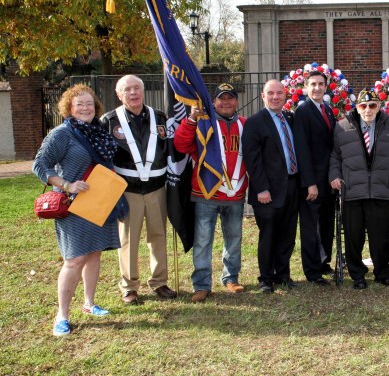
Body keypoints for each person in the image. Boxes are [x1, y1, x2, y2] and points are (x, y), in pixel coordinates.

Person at [33, 84, 121, 336]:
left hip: (99, 203)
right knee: (74, 260)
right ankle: (62, 315)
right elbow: (40, 165)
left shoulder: (98, 132)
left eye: (89, 104)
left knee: (94, 254)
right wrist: (67, 184)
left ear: (96, 108)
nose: (85, 108)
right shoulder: (63, 134)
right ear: (69, 108)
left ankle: (89, 304)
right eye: (79, 104)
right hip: (73, 206)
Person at [102, 75, 177, 304]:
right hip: (128, 190)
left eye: (137, 88)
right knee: (128, 239)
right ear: (119, 94)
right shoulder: (109, 120)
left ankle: (159, 281)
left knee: (158, 235)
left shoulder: (160, 117)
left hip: (157, 188)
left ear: (143, 91)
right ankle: (129, 286)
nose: (133, 93)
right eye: (127, 89)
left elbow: (170, 149)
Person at [174, 83, 248, 302]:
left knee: (234, 239)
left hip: (235, 194)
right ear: (213, 102)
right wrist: (191, 120)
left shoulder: (245, 124)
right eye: (221, 98)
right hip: (206, 193)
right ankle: (202, 285)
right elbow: (180, 144)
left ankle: (231, 278)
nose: (226, 102)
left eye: (230, 98)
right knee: (203, 241)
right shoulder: (203, 124)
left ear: (236, 101)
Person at [329, 90, 389, 289]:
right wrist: (334, 176)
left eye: (372, 105)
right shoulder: (342, 126)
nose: (368, 110)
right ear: (357, 107)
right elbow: (335, 157)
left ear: (379, 107)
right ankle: (357, 275)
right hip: (353, 192)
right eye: (363, 106)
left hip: (382, 191)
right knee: (353, 237)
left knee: (381, 236)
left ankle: (382, 273)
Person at [242, 79, 301, 294]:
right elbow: (252, 159)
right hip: (267, 191)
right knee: (268, 235)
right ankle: (266, 278)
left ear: (285, 96)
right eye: (271, 93)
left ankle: (282, 274)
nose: (275, 97)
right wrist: (261, 189)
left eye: (279, 93)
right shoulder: (255, 122)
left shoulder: (291, 119)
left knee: (287, 234)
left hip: (292, 186)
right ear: (262, 96)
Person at [293, 69, 336, 286]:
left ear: (326, 87)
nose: (317, 88)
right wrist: (309, 183)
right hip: (312, 182)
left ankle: (324, 261)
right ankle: (312, 270)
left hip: (328, 180)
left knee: (327, 223)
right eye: (313, 84)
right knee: (311, 227)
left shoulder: (326, 110)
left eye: (321, 84)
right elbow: (302, 150)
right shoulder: (303, 111)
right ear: (306, 88)